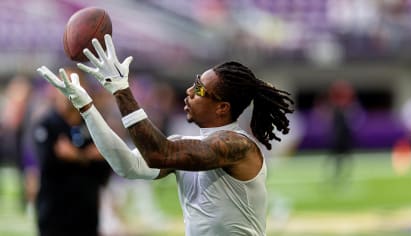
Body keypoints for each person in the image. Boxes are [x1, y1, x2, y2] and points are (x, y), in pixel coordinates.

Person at [37, 34, 294, 236]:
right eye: (194, 82)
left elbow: (159, 153)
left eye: (200, 90)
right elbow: (128, 166)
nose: (189, 91)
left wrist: (121, 90)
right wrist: (87, 108)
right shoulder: (187, 145)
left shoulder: (238, 145)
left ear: (222, 108)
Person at [32, 68, 112, 236]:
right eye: (63, 84)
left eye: (74, 84)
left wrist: (75, 156)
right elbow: (48, 164)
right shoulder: (46, 124)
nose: (68, 91)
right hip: (54, 216)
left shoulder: (95, 126)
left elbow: (106, 169)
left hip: (87, 216)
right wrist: (87, 157)